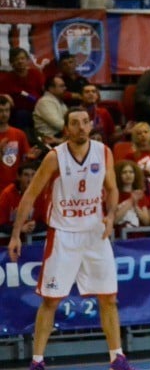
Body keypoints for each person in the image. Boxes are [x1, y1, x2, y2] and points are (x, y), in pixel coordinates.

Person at [7, 108, 136, 370]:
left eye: (84, 122)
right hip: (63, 234)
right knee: (51, 300)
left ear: (91, 125)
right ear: (66, 129)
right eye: (74, 123)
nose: (80, 127)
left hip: (94, 234)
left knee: (108, 298)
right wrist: (15, 235)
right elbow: (29, 195)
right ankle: (37, 361)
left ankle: (117, 358)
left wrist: (110, 216)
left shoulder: (104, 152)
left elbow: (111, 189)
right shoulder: (55, 158)